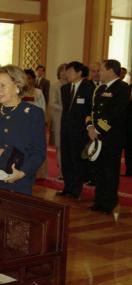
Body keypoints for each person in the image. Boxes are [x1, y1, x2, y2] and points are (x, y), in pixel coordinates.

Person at [0, 65, 46, 195]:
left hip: (21, 182)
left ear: (17, 87)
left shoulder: (33, 113)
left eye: (3, 85)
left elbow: (39, 152)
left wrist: (22, 173)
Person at [86, 59, 130, 214]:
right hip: (97, 135)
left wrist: (98, 129)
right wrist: (90, 126)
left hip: (112, 137)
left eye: (102, 70)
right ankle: (99, 201)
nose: (99, 73)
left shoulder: (122, 88)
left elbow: (117, 114)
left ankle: (109, 203)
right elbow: (92, 111)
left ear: (111, 71)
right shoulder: (100, 89)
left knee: (110, 171)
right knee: (99, 170)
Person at [57, 61, 95, 199]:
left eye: (70, 71)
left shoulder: (89, 87)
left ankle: (76, 190)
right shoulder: (65, 88)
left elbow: (90, 110)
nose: (67, 74)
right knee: (66, 160)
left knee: (77, 161)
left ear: (79, 72)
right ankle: (67, 187)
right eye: (66, 71)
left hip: (80, 132)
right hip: (66, 130)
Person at [48, 63, 68, 179]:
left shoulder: (72, 85)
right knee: (60, 146)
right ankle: (61, 172)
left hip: (71, 121)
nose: (64, 73)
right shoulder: (55, 86)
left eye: (67, 71)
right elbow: (52, 103)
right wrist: (66, 109)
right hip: (59, 119)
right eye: (62, 71)